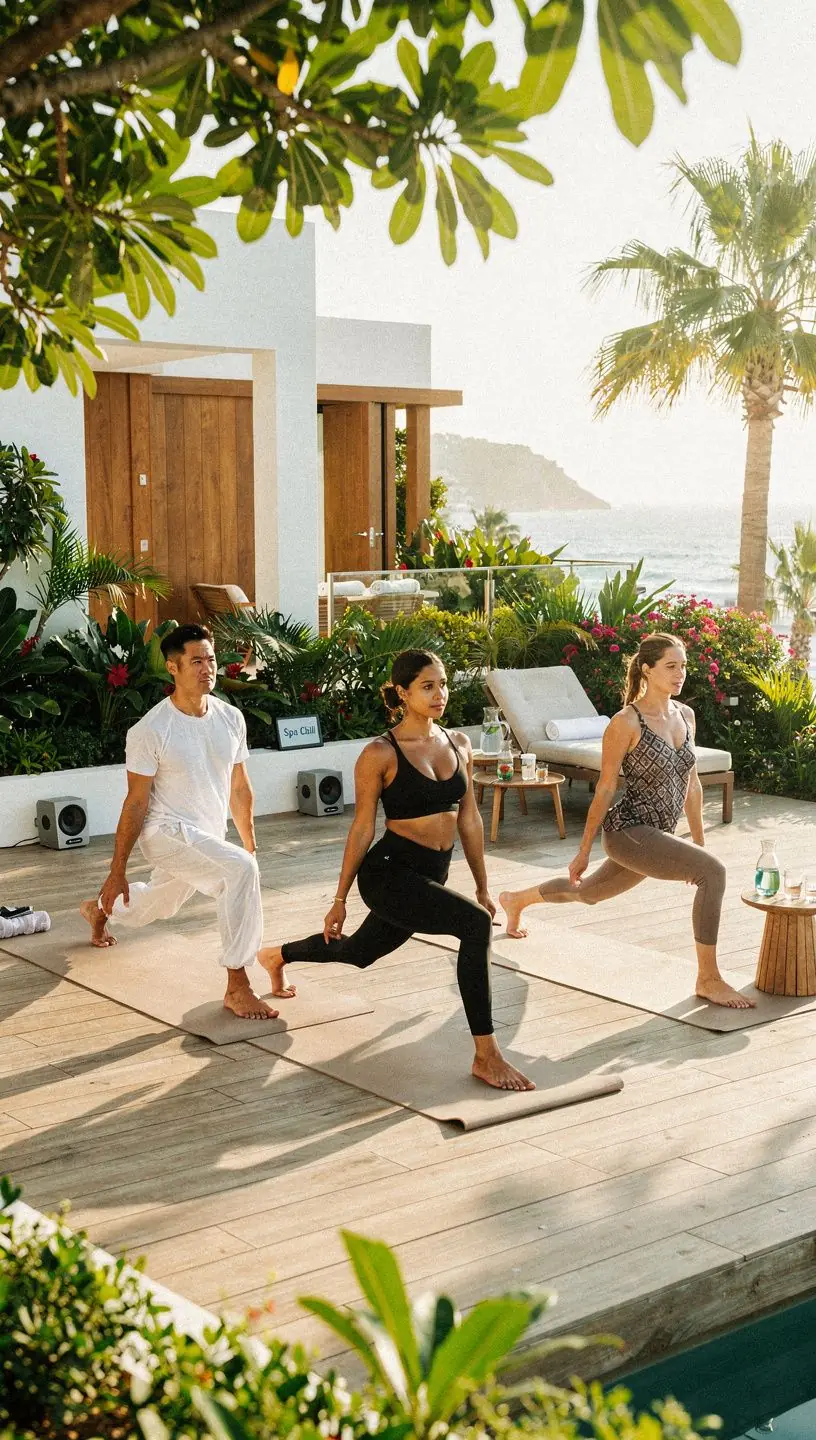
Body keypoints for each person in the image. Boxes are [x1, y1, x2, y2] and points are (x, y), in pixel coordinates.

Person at [263, 649, 535, 1091]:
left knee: (360, 953)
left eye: (443, 684)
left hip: (432, 875)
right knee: (475, 925)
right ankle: (486, 1054)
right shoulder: (379, 753)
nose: (439, 694)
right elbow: (361, 828)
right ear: (403, 693)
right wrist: (339, 900)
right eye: (427, 686)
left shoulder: (458, 743)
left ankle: (279, 955)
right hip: (388, 873)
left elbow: (469, 818)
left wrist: (483, 885)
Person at [499, 633, 753, 1010]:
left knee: (588, 894)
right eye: (671, 666)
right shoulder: (625, 722)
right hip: (626, 831)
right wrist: (583, 851)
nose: (680, 673)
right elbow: (603, 790)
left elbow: (692, 783)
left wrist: (697, 844)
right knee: (713, 874)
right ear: (647, 669)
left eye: (683, 666)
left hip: (657, 835)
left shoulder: (685, 715)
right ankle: (708, 979)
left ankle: (515, 900)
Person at [80, 622, 281, 1021]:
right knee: (238, 873)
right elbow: (135, 803)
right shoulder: (151, 730)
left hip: (205, 834)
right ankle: (238, 985)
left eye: (211, 659)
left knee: (160, 905)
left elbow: (240, 788)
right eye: (196, 661)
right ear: (173, 668)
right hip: (165, 832)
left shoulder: (230, 718)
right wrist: (116, 869)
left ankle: (101, 910)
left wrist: (249, 843)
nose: (207, 668)